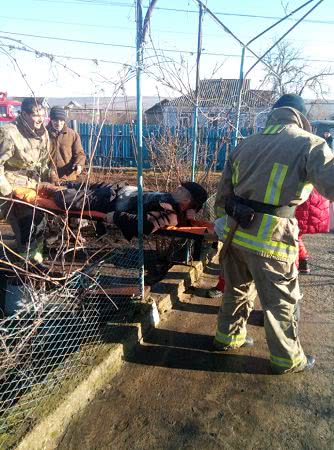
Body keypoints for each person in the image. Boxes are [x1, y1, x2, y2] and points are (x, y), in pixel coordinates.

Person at [213, 93, 334, 374]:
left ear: (273, 114)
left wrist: (222, 226)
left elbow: (222, 196)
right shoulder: (310, 144)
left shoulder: (244, 145)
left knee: (236, 291)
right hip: (272, 241)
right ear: (301, 118)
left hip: (235, 235)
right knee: (281, 304)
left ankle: (227, 338)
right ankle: (287, 359)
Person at [44, 180, 208, 240]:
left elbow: (146, 225)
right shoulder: (172, 201)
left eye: (181, 190)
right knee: (76, 184)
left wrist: (115, 216)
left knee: (65, 199)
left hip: (110, 202)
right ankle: (54, 185)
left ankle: (39, 188)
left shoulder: (170, 213)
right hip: (117, 190)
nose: (176, 189)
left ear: (186, 201)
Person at [0, 97, 50, 263]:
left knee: (41, 224)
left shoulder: (43, 134)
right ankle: (24, 272)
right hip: (12, 186)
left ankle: (36, 262)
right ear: (23, 114)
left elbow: (44, 163)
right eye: (35, 115)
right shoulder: (9, 133)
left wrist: (50, 181)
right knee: (25, 228)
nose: (40, 119)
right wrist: (7, 192)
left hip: (33, 186)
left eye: (42, 114)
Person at [295, 188, 330, 274]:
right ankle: (303, 262)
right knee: (296, 235)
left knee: (293, 235)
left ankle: (298, 264)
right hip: (315, 202)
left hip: (303, 201)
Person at [47, 106, 86, 183]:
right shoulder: (44, 134)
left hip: (67, 178)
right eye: (55, 120)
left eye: (61, 120)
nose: (58, 123)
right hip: (48, 178)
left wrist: (78, 164)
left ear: (64, 120)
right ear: (51, 119)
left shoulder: (72, 134)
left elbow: (79, 154)